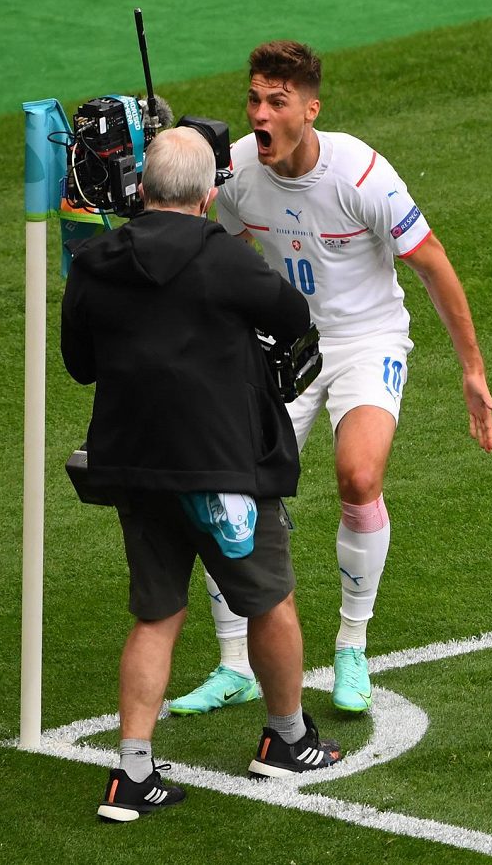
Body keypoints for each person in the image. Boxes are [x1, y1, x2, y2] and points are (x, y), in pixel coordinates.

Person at [168, 40, 492, 717]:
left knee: (358, 476)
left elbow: (431, 263)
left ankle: (351, 644)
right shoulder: (234, 173)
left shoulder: (363, 176)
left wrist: (472, 368)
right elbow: (220, 246)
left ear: (310, 110)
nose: (259, 112)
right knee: (227, 487)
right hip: (284, 342)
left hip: (365, 340)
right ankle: (234, 664)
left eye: (276, 101)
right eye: (253, 98)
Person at [60, 126, 341, 823]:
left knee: (157, 615)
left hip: (133, 467)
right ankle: (287, 739)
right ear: (210, 192)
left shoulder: (95, 261)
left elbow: (79, 363)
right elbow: (291, 314)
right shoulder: (223, 258)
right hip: (224, 469)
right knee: (269, 599)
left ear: (143, 189)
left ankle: (130, 775)